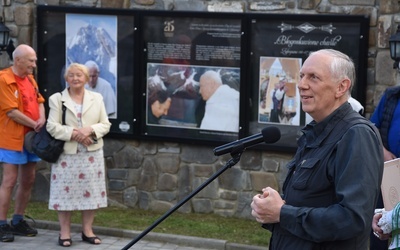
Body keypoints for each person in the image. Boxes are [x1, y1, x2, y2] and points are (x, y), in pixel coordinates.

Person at [251, 49, 384, 249]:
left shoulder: (356, 135)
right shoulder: (315, 132)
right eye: (302, 75)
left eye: (314, 77)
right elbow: (310, 203)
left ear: (341, 87)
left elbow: (352, 219)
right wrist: (270, 211)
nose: (302, 85)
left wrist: (282, 212)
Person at [46, 63, 111, 247]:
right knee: (64, 194)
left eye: (79, 75)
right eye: (71, 75)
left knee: (90, 193)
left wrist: (88, 130)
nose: (75, 78)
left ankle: (87, 231)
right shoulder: (57, 99)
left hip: (91, 154)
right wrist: (76, 134)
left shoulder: (97, 98)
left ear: (86, 78)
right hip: (67, 155)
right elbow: (52, 126)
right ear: (67, 78)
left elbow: (105, 124)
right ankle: (64, 233)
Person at [0, 44, 45, 243]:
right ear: (18, 60)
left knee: (28, 179)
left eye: (34, 61)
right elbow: (11, 111)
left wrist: (41, 119)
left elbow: (40, 101)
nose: (34, 65)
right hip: (12, 138)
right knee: (9, 181)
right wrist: (35, 124)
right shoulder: (3, 80)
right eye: (31, 61)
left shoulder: (30, 79)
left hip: (31, 139)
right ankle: (1, 223)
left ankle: (18, 220)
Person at [369, 84, 400, 249]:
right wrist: (384, 153)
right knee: (381, 226)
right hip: (388, 176)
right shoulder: (391, 96)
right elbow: (371, 128)